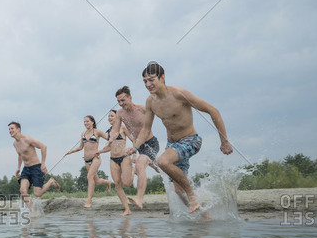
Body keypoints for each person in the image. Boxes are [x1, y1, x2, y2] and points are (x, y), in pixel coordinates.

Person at [129, 62, 233, 213]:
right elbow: (146, 128)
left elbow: (213, 110)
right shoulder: (150, 101)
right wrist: (135, 146)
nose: (148, 84)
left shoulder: (179, 94)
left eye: (151, 79)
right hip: (173, 145)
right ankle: (204, 215)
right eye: (145, 81)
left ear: (162, 77)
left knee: (162, 161)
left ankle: (192, 196)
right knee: (178, 191)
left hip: (191, 141)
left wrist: (224, 140)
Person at [97, 86, 160, 210]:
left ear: (130, 98)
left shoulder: (142, 109)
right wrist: (109, 141)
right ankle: (162, 169)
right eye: (118, 101)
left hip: (151, 143)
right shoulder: (120, 113)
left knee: (140, 165)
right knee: (156, 166)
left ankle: (139, 199)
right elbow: (115, 130)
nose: (121, 104)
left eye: (123, 100)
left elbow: (161, 116)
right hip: (139, 146)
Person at [64, 115, 112, 208]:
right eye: (84, 122)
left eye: (87, 121)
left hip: (95, 158)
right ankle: (107, 182)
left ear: (92, 122)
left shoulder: (97, 132)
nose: (85, 123)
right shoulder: (83, 133)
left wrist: (104, 148)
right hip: (86, 160)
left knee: (89, 177)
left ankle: (89, 201)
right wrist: (70, 152)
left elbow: (109, 139)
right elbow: (80, 147)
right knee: (97, 181)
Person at [9, 121, 60, 207]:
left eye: (12, 128)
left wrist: (43, 164)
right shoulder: (15, 144)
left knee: (37, 193)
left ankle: (51, 181)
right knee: (22, 191)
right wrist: (18, 168)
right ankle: (32, 211)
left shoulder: (27, 139)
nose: (10, 131)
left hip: (36, 167)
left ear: (18, 129)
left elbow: (43, 147)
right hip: (26, 169)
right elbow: (20, 155)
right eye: (9, 129)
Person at [95, 110, 133, 216]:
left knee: (127, 183)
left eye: (112, 116)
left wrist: (134, 154)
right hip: (113, 159)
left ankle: (133, 170)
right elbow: (110, 147)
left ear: (117, 117)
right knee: (117, 184)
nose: (109, 118)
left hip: (124, 157)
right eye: (108, 116)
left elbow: (133, 139)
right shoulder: (109, 131)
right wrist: (100, 151)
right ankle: (127, 209)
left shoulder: (123, 127)